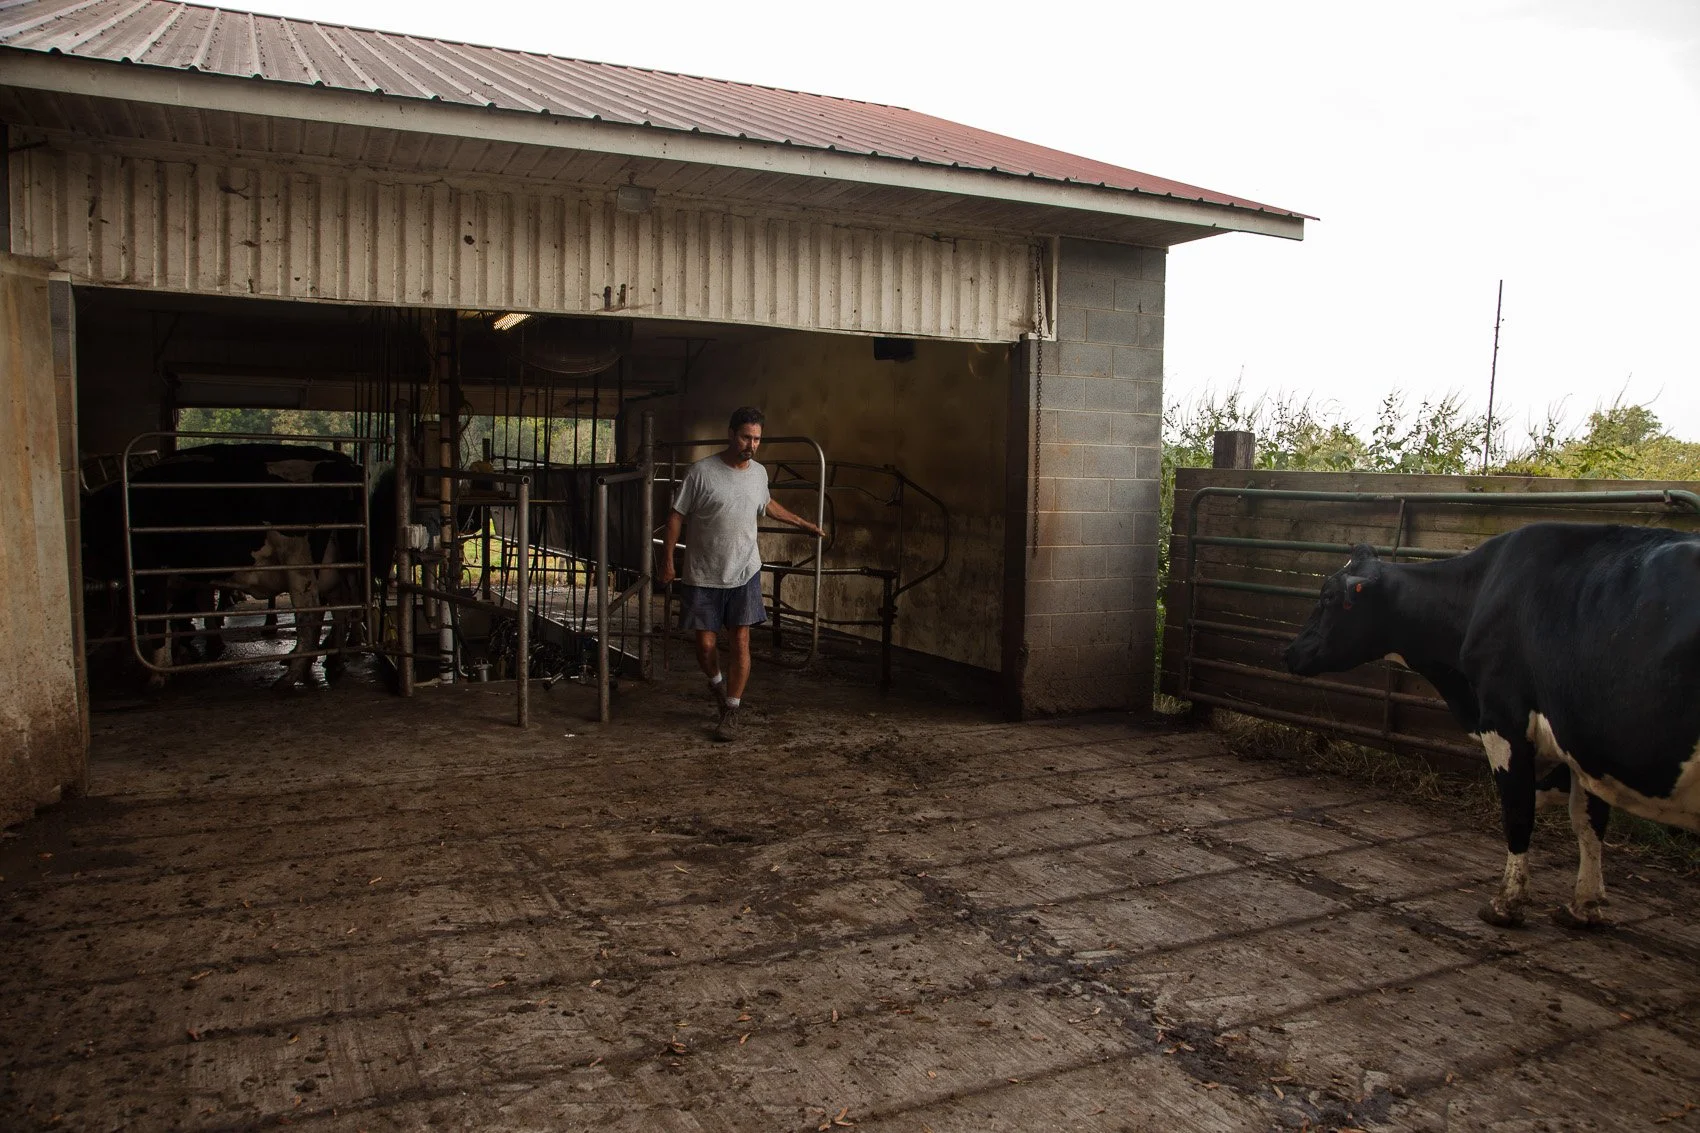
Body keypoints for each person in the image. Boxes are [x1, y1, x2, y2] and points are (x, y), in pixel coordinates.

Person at [659, 406, 823, 741]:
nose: (752, 444)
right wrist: (667, 560)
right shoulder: (701, 472)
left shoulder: (759, 473)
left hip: (744, 570)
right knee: (705, 645)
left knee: (741, 639)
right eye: (747, 436)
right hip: (703, 574)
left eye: (757, 438)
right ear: (731, 434)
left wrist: (802, 523)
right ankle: (718, 685)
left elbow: (768, 504)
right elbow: (676, 515)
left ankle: (732, 709)